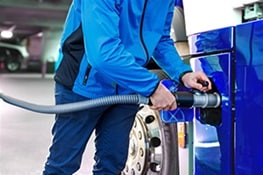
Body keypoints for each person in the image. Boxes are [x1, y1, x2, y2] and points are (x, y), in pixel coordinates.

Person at [42, 0, 212, 174]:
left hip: (128, 84)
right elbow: (103, 54)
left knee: (112, 164)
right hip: (84, 85)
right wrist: (153, 88)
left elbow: (161, 39)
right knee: (62, 165)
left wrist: (183, 73)